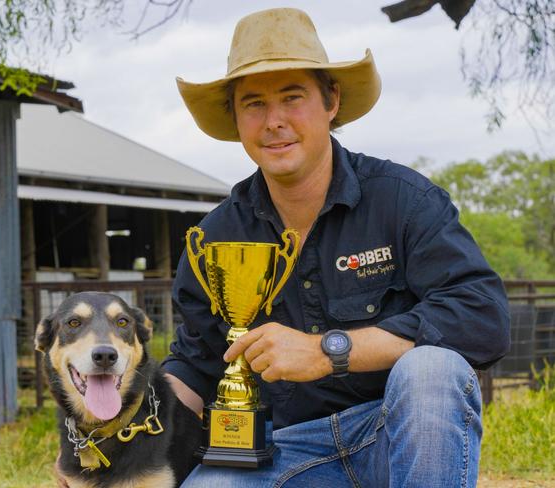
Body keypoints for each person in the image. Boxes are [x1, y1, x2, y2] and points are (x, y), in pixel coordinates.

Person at [162, 7, 510, 487]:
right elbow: (197, 362)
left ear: (331, 101)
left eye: (292, 97)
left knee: (433, 368)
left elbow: (481, 316)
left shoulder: (404, 201)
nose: (274, 121)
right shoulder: (215, 237)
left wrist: (329, 351)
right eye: (254, 104)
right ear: (236, 119)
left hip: (396, 436)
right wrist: (111, 442)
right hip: (280, 450)